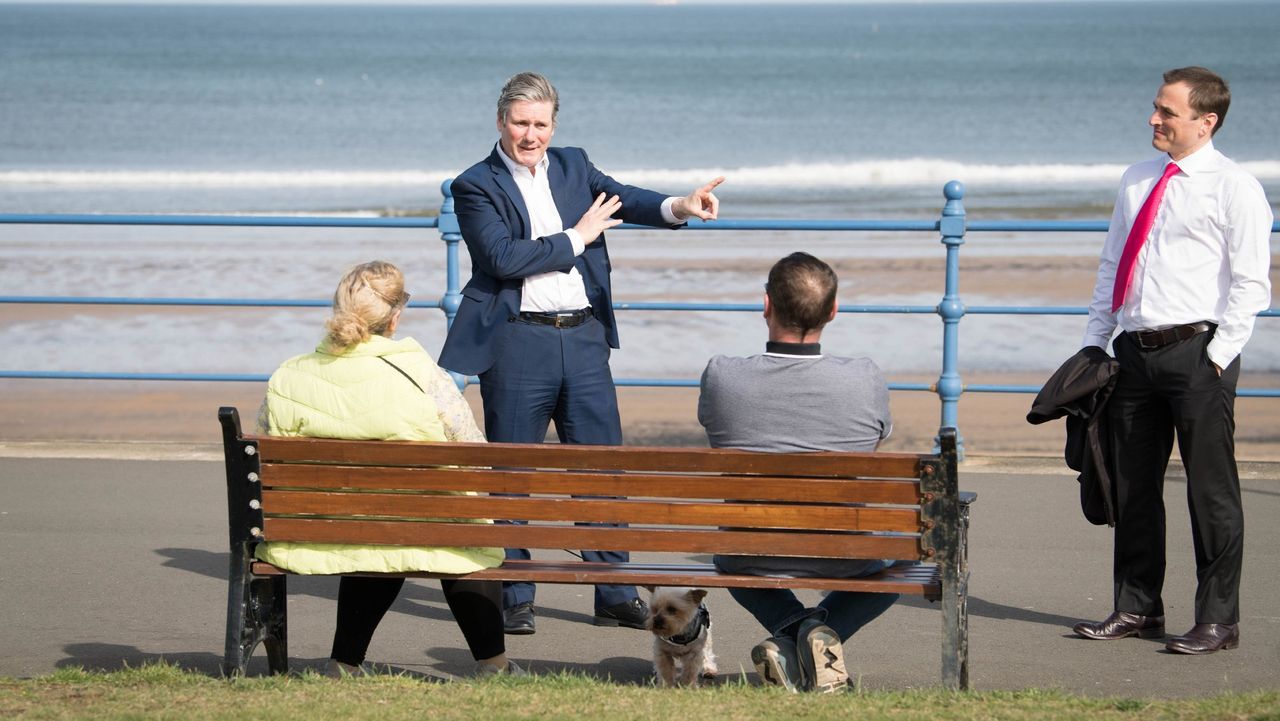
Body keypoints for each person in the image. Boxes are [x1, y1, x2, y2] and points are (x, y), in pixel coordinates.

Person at [438, 71, 725, 635]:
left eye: (540, 123)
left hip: (586, 338)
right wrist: (579, 235)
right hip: (518, 340)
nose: (530, 135)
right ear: (500, 122)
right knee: (513, 472)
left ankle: (613, 591)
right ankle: (514, 592)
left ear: (554, 124)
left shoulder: (574, 164)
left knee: (601, 467)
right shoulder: (474, 185)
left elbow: (628, 200)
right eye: (520, 123)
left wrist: (681, 205)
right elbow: (501, 258)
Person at [1072, 67, 1272, 655]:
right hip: (1132, 354)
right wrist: (1095, 340)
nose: (1154, 119)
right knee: (1132, 488)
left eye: (1168, 112)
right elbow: (1113, 263)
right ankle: (1137, 609)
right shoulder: (1137, 179)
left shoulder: (1235, 186)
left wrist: (1217, 355)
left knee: (1210, 493)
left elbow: (1251, 282)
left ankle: (1218, 620)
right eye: (1155, 108)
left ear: (1206, 121)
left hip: (1197, 354)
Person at [255, 261, 520, 677]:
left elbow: (270, 452)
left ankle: (344, 662)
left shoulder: (289, 374)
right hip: (412, 524)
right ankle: (494, 665)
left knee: (376, 530)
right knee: (457, 534)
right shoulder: (421, 374)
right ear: (396, 316)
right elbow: (474, 454)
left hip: (317, 528)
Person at [698, 252, 896, 692]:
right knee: (905, 560)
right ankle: (819, 635)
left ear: (766, 305)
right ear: (833, 310)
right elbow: (871, 445)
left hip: (748, 551)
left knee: (729, 560)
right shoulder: (865, 377)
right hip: (843, 552)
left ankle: (790, 636)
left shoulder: (722, 375)